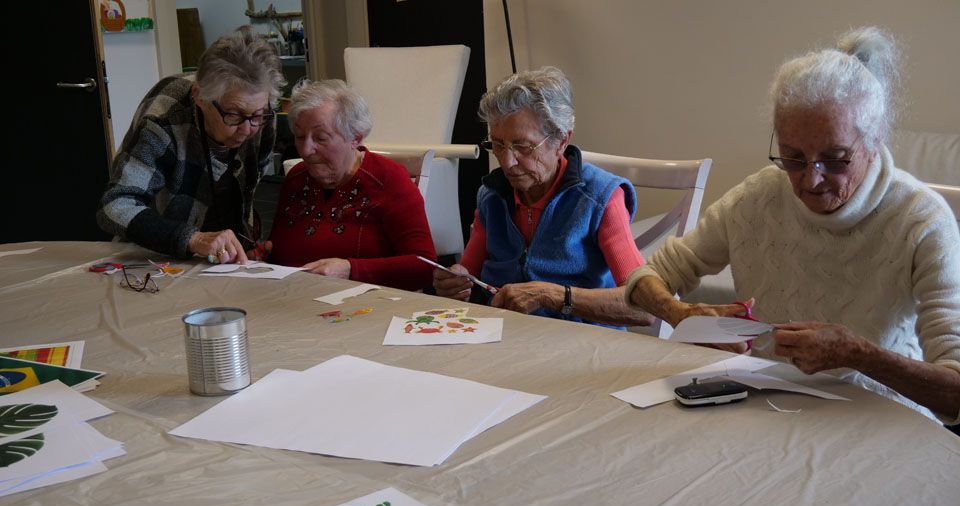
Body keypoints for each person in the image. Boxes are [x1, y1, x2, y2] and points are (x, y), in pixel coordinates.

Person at [626, 27, 960, 425]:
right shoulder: (757, 198)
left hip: (880, 423)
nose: (809, 180)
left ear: (875, 142)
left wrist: (860, 355)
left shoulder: (922, 220)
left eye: (835, 159)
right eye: (793, 157)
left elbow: (953, 394)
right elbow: (647, 277)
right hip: (770, 412)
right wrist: (680, 313)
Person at [433, 67, 653, 328]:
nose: (507, 162)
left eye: (523, 146)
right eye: (498, 145)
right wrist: (456, 282)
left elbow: (645, 308)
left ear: (561, 140)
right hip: (506, 337)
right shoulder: (492, 195)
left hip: (581, 345)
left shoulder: (600, 197)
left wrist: (551, 296)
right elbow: (468, 276)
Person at [97, 26, 283, 264]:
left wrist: (245, 243)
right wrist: (192, 239)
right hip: (155, 255)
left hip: (223, 256)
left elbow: (245, 195)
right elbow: (115, 205)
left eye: (257, 115)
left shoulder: (263, 116)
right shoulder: (165, 117)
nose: (248, 130)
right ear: (200, 97)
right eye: (234, 115)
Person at [266, 79, 436, 291]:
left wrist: (350, 270)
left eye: (321, 138)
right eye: (300, 136)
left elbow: (425, 266)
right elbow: (275, 250)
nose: (306, 150)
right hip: (292, 302)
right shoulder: (296, 179)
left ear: (355, 137)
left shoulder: (387, 180)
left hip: (366, 309)